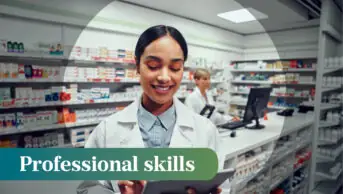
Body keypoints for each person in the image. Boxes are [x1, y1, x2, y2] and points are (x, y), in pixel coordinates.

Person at [77, 25, 224, 194]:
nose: (164, 77)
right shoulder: (107, 130)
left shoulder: (205, 130)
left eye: (175, 67)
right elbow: (87, 188)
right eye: (153, 65)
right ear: (138, 66)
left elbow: (222, 185)